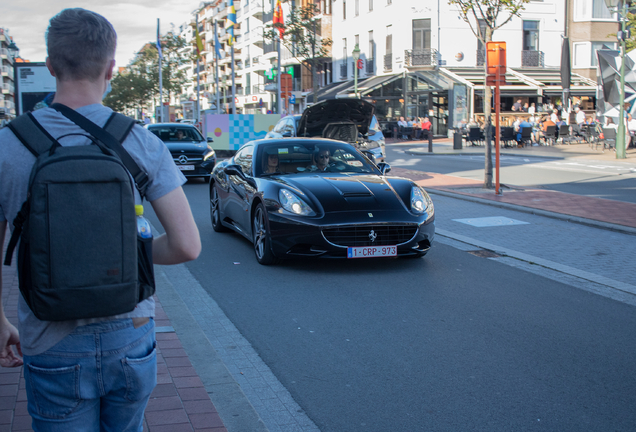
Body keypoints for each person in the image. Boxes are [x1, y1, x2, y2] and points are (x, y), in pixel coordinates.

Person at [0, 8, 201, 431]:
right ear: (111, 67)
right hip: (130, 328)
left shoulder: (8, 144)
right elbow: (186, 245)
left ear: (51, 65)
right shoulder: (141, 141)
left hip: (48, 336)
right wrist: (126, 253)